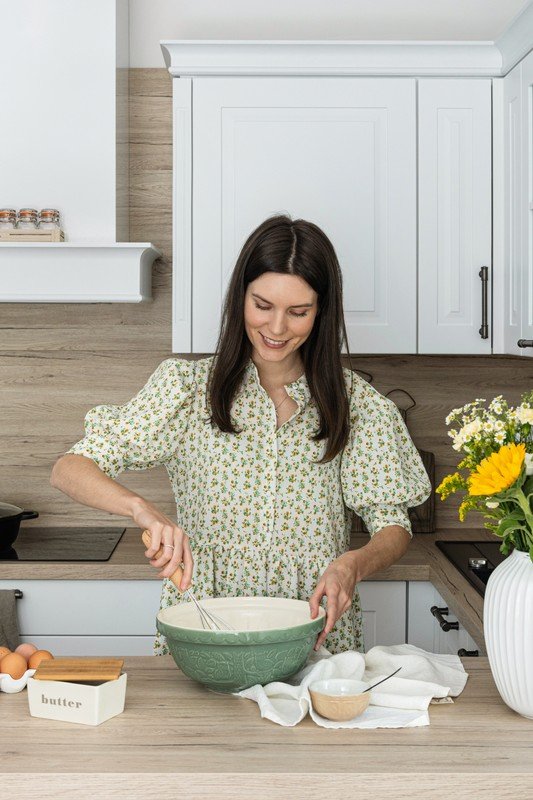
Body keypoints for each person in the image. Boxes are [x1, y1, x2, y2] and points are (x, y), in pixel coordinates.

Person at [50, 214, 431, 654]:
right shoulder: (187, 390)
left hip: (314, 630)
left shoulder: (357, 405)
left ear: (322, 311)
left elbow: (393, 528)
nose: (276, 328)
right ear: (240, 298)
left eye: (298, 312)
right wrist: (143, 510)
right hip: (204, 627)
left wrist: (353, 564)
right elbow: (69, 469)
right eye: (263, 305)